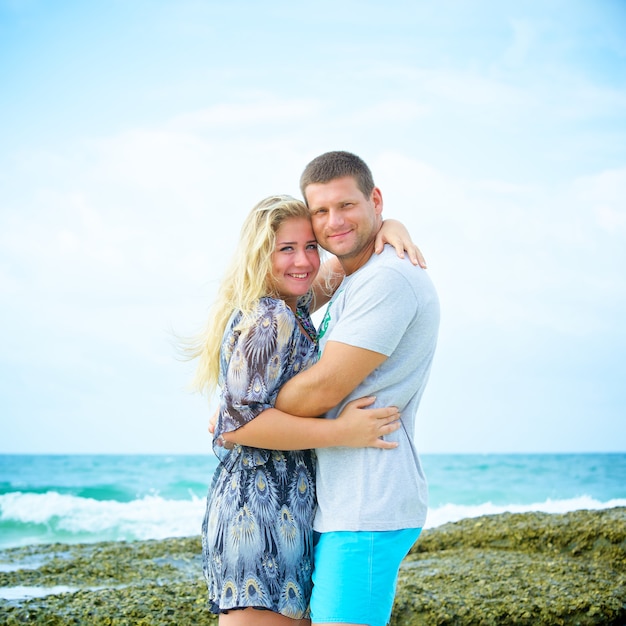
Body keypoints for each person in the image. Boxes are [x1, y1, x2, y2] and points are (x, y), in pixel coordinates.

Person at [188, 195, 422, 625]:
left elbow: (345, 263)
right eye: (286, 249)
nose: (303, 260)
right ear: (262, 255)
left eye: (310, 246)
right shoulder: (270, 316)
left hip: (286, 507)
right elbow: (240, 425)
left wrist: (391, 226)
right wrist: (342, 433)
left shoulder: (291, 304)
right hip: (256, 514)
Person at [274, 151, 440, 626]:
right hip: (346, 503)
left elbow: (322, 391)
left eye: (346, 205)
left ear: (375, 200)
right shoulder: (357, 275)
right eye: (321, 212)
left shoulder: (387, 279)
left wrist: (248, 405)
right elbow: (295, 291)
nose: (334, 222)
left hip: (369, 506)